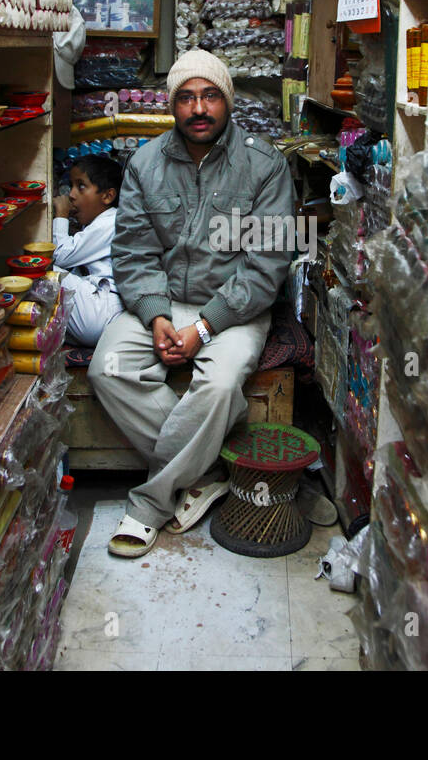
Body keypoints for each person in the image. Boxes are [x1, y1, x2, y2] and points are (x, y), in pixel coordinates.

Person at [88, 49, 295, 558]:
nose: (198, 108)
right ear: (171, 106)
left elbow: (265, 267)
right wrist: (157, 315)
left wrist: (203, 329)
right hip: (161, 301)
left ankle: (150, 505)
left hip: (234, 309)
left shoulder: (265, 165)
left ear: (226, 100)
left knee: (221, 384)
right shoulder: (144, 164)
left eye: (209, 95)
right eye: (185, 98)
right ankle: (208, 470)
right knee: (105, 369)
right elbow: (133, 252)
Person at [51, 154, 125, 347]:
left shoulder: (111, 220)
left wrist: (61, 215)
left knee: (40, 269)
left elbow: (60, 255)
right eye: (72, 186)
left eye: (81, 186)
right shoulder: (100, 223)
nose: (72, 195)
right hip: (98, 312)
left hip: (101, 310)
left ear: (108, 196)